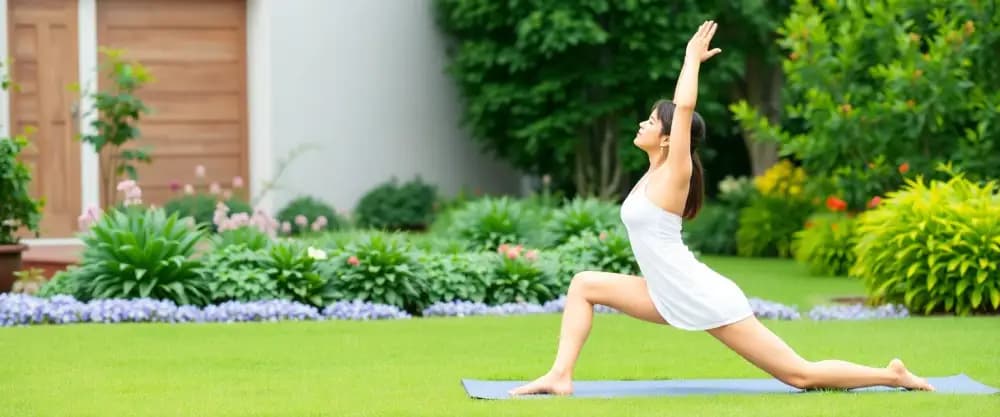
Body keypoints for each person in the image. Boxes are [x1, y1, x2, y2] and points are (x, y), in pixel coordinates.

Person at [508, 20, 935, 397]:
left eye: (652, 121)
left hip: (700, 295)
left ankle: (892, 375)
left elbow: (686, 108)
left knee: (799, 375)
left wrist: (690, 60)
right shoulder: (650, 174)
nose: (643, 124)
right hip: (663, 292)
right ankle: (560, 375)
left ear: (669, 138)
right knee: (584, 284)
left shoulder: (676, 172)